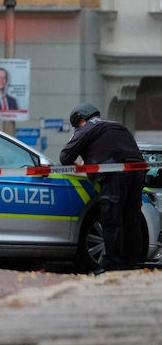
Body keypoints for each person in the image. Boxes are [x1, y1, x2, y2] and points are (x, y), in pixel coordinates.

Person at [59, 102, 144, 274]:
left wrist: (82, 167)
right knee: (131, 219)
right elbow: (110, 149)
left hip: (115, 175)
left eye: (77, 125)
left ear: (81, 120)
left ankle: (112, 266)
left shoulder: (87, 128)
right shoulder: (117, 126)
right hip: (137, 172)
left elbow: (65, 157)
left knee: (112, 220)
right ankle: (131, 264)